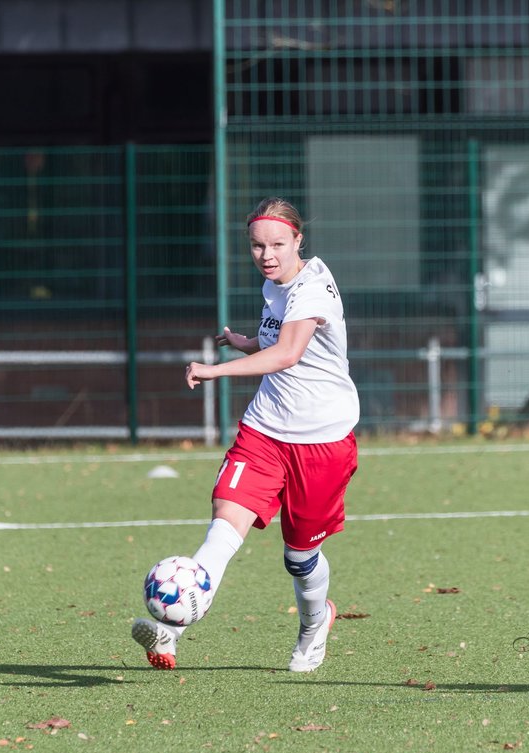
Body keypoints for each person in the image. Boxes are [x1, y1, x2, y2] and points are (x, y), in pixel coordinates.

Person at [132, 197, 360, 673]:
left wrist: (218, 370)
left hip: (323, 440)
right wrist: (245, 341)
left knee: (300, 556)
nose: (266, 255)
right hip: (264, 430)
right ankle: (170, 628)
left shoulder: (312, 287)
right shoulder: (275, 284)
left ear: (299, 239)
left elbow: (288, 354)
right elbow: (275, 337)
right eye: (257, 246)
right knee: (223, 527)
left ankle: (315, 622)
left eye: (277, 244)